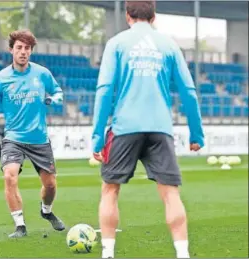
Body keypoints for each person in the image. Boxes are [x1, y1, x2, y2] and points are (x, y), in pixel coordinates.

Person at [91, 1, 204, 258]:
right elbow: (188, 92)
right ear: (154, 16)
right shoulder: (169, 45)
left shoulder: (117, 43)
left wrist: (97, 137)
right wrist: (197, 134)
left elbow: (105, 90)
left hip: (124, 128)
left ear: (128, 16)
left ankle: (108, 254)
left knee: (110, 189)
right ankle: (182, 254)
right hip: (159, 127)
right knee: (170, 193)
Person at [0, 29, 66, 238]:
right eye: (19, 48)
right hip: (13, 138)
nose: (23, 52)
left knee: (50, 185)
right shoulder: (0, 79)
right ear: (11, 50)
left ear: (31, 51)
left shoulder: (42, 73)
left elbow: (58, 92)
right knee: (9, 176)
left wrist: (54, 100)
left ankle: (46, 211)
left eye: (27, 48)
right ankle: (20, 226)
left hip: (39, 139)